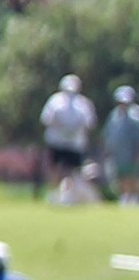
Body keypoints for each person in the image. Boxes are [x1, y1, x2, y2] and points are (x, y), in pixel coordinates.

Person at [40, 75, 96, 204]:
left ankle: (68, 196)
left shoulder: (83, 104)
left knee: (72, 171)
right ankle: (53, 194)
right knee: (55, 170)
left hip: (75, 143)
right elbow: (46, 119)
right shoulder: (54, 101)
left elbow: (89, 123)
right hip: (56, 141)